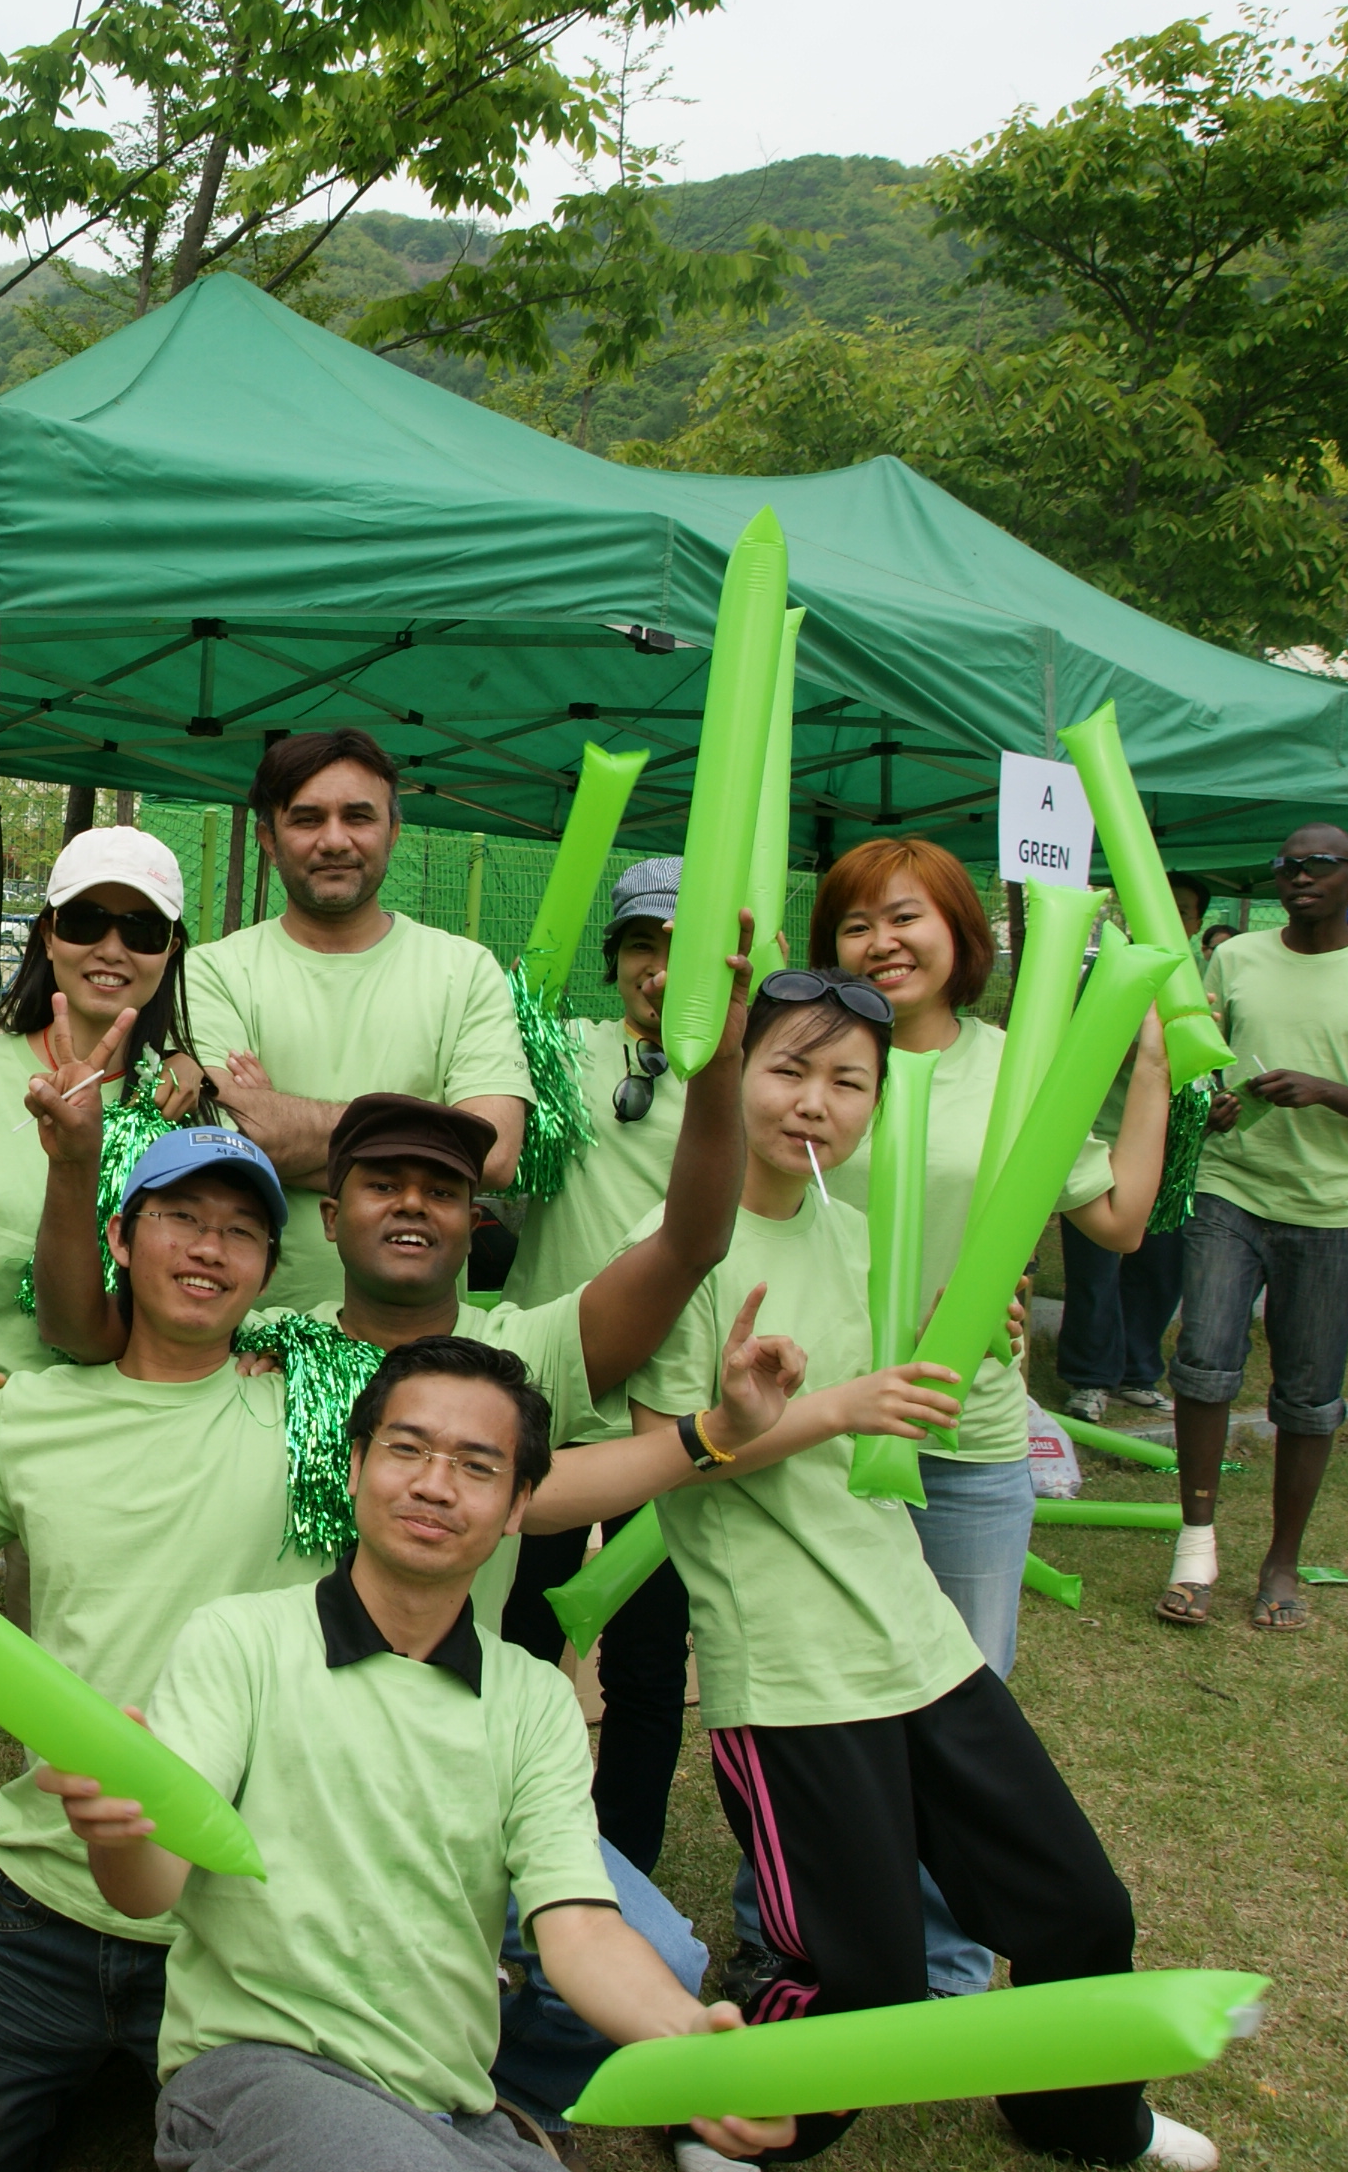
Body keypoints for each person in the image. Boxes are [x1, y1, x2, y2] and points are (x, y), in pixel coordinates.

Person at [624, 971, 1218, 2171]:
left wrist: (964, 1338)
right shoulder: (681, 1249)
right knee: (864, 1975)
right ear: (736, 1075)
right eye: (789, 1068)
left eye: (849, 1081)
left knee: (1081, 1908)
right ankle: (736, 2121)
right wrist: (825, 1405)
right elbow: (656, 1457)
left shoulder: (863, 1235)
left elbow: (905, 1408)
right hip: (790, 1662)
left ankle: (1077, 2112)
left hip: (917, 1636)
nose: (815, 1103)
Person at [45, 1336, 797, 2172]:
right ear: (358, 1464)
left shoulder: (533, 1700)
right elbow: (152, 1888)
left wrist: (691, 2041)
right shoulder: (241, 1641)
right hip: (261, 2075)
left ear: (519, 1507)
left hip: (453, 2110)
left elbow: (578, 1927)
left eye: (478, 1467)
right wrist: (117, 1832)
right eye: (406, 1450)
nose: (434, 1485)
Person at [0, 823, 205, 2032]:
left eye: (141, 929)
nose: (110, 949)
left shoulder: (184, 1094)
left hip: (102, 1439)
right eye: (88, 922)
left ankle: (80, 1928)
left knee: (84, 1691)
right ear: (48, 937)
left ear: (171, 950)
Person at [818, 835, 1171, 1677]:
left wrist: (1154, 1066)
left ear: (960, 932)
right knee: (835, 1685)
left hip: (963, 1429)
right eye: (855, 925)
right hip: (820, 1418)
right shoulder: (810, 1063)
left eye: (906, 917)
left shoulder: (1019, 1065)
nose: (881, 943)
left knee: (971, 1684)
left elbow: (1119, 1220)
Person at [1164, 824, 1348, 1634]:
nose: (1299, 877)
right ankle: (1196, 1549)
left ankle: (1282, 1561)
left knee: (1309, 1395)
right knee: (1203, 1361)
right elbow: (1201, 1074)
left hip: (1331, 1211)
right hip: (1230, 1191)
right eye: (1286, 866)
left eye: (1318, 865)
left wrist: (1329, 1092)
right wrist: (1210, 1109)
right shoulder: (1236, 958)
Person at [474, 855, 698, 1873]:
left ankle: (622, 1864)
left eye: (680, 949)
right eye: (643, 946)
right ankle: (508, 1838)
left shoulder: (742, 1077)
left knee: (649, 1666)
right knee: (517, 1644)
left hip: (668, 1416)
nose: (659, 969)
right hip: (548, 1396)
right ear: (616, 962)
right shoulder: (561, 1052)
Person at [185, 726, 531, 1316]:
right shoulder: (211, 969)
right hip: (258, 1335)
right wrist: (432, 1153)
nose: (335, 840)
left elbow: (493, 1155)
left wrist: (284, 1124)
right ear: (269, 838)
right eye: (307, 819)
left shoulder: (464, 969)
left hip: (423, 1344)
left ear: (393, 832)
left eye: (359, 817)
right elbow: (231, 1135)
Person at [1058, 875, 1212, 1425]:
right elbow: (1082, 1047)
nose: (1170, 915)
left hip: (1176, 1149)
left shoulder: (1208, 978)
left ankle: (1138, 1372)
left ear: (1194, 922)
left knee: (1160, 1266)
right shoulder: (1109, 969)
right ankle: (1090, 1377)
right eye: (1158, 904)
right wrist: (1147, 1049)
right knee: (1098, 1266)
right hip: (1105, 1134)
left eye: (1183, 909)